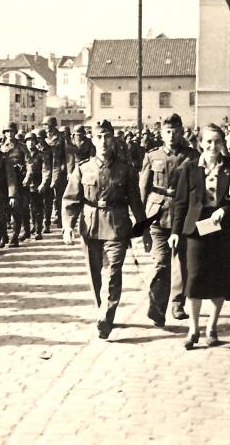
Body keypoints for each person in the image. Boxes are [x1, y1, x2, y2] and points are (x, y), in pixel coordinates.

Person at [62, 120, 146, 340]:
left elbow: (136, 202)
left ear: (114, 139)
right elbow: (71, 199)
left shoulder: (125, 170)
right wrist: (68, 226)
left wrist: (143, 230)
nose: (104, 141)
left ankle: (106, 317)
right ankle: (102, 310)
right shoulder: (83, 168)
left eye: (107, 136)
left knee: (113, 272)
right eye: (99, 137)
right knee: (94, 274)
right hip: (90, 227)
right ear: (93, 139)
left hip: (117, 226)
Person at [169, 123, 230, 350]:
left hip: (224, 229)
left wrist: (227, 210)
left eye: (217, 141)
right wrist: (175, 232)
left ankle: (212, 326)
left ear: (223, 143)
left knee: (220, 277)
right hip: (197, 229)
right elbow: (180, 203)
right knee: (193, 277)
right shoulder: (190, 168)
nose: (213, 146)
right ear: (200, 143)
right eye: (209, 141)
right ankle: (193, 329)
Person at [139, 114, 199, 327]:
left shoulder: (192, 156)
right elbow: (143, 189)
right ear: (161, 133)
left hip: (183, 217)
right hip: (158, 216)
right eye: (167, 131)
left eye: (175, 131)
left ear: (182, 132)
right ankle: (157, 308)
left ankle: (177, 303)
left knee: (183, 263)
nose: (171, 135)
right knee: (161, 264)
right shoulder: (152, 156)